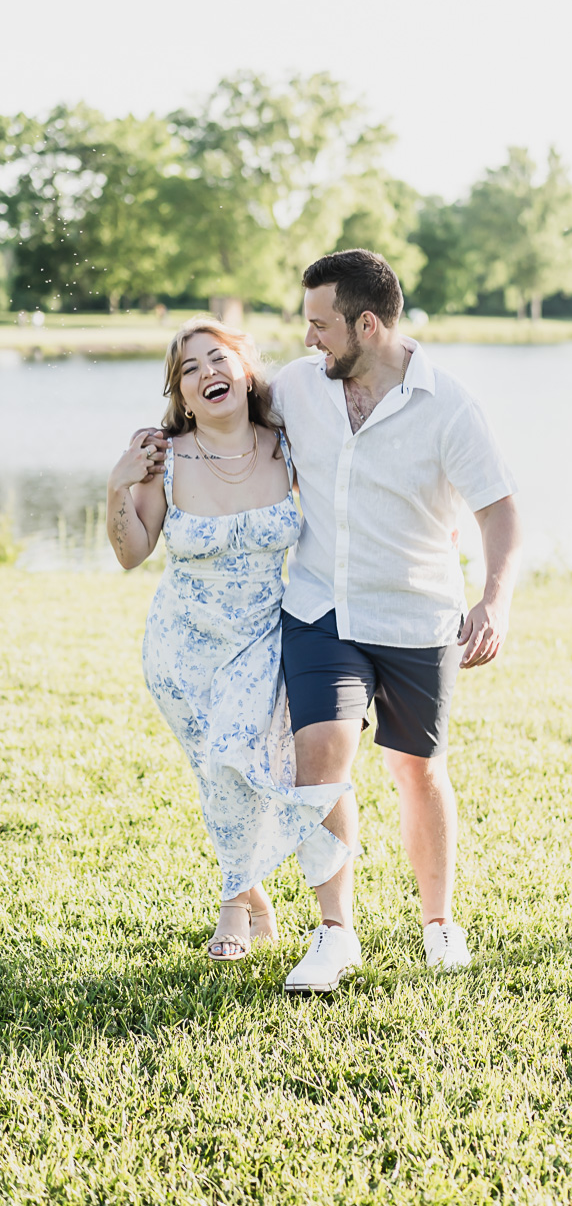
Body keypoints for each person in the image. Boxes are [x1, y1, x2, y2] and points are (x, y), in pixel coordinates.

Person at [273, 248, 522, 993]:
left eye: (322, 324)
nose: (309, 337)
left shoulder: (449, 405)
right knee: (320, 756)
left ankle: (439, 923)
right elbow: (222, 422)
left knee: (418, 769)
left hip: (417, 614)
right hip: (321, 607)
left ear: (368, 323)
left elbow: (500, 509)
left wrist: (495, 599)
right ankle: (334, 934)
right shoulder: (296, 385)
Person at [107, 317, 351, 961]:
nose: (206, 373)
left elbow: (346, 500)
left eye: (218, 359)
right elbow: (132, 552)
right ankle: (252, 897)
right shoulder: (165, 457)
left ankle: (232, 903)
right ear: (181, 395)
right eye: (189, 370)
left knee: (238, 766)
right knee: (218, 776)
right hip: (180, 652)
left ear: (245, 370)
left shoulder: (285, 444)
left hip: (262, 640)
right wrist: (119, 485)